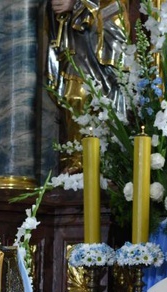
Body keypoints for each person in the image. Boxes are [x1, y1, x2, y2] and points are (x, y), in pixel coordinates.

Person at [46, 0, 128, 173]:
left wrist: (78, 3)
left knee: (104, 94)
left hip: (104, 23)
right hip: (76, 35)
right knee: (74, 96)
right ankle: (77, 157)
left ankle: (107, 158)